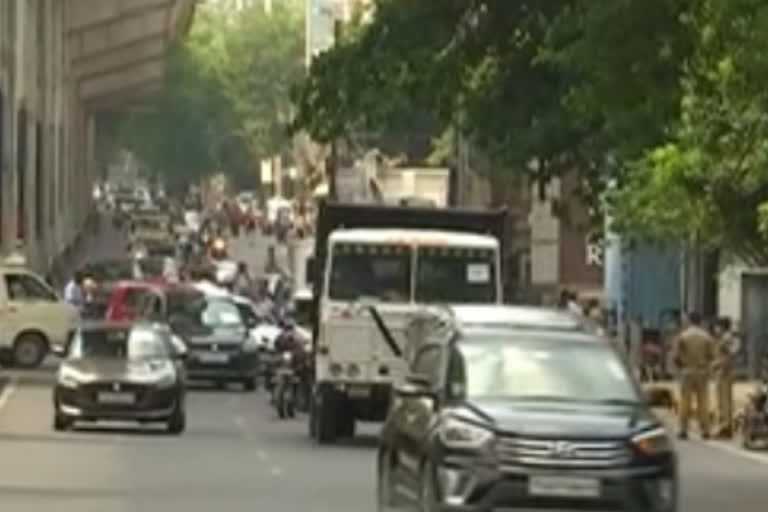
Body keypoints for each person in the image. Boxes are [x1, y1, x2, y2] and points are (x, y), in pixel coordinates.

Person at [671, 311, 716, 439]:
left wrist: (681, 367)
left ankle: (683, 429)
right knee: (703, 401)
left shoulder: (683, 336)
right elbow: (712, 355)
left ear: (689, 320)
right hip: (702, 372)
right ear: (700, 321)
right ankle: (705, 430)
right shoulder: (706, 336)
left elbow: (676, 356)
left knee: (685, 401)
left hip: (687, 371)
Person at [712, 317, 739, 438]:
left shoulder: (726, 339)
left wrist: (716, 365)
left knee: (724, 401)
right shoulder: (726, 338)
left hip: (724, 373)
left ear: (722, 327)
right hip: (723, 372)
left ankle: (725, 427)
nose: (715, 329)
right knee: (724, 401)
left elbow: (728, 357)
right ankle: (725, 426)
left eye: (717, 326)